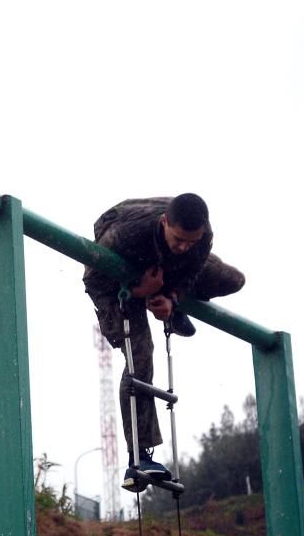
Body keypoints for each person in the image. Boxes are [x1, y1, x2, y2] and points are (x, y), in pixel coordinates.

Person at [83, 194, 245, 491]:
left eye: (190, 242)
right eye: (178, 239)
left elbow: (193, 271)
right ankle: (139, 456)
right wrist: (138, 290)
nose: (184, 246)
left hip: (161, 271)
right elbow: (92, 278)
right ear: (164, 223)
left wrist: (172, 297)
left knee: (233, 278)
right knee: (141, 356)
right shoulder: (125, 234)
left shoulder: (201, 237)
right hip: (118, 277)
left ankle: (172, 310)